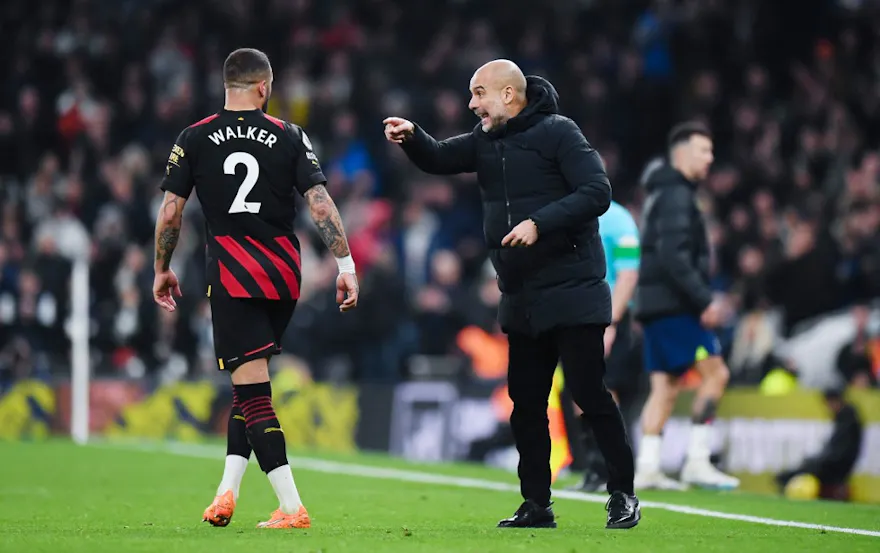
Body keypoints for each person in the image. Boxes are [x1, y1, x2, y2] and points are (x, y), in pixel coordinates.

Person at [384, 59, 639, 530]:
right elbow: (440, 157)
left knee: (588, 392)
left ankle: (622, 491)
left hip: (575, 290)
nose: (471, 104)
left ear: (508, 95)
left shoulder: (560, 133)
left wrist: (539, 223)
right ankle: (537, 504)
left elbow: (597, 191)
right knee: (526, 404)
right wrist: (412, 136)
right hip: (521, 295)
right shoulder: (485, 142)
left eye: (479, 93)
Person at [152, 48, 359, 529]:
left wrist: (161, 267)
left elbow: (171, 212)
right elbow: (321, 203)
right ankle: (226, 493)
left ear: (228, 85)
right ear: (265, 87)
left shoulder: (195, 137)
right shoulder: (290, 135)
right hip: (285, 276)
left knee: (254, 393)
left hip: (233, 277)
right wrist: (345, 263)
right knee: (249, 386)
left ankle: (292, 508)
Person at [633, 122, 739, 490]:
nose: (710, 158)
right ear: (681, 153)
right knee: (717, 374)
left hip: (655, 304)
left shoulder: (662, 193)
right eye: (703, 151)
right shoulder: (677, 194)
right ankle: (697, 461)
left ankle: (647, 467)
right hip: (675, 304)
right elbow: (673, 255)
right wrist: (704, 299)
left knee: (665, 387)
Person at [567, 199, 641, 492]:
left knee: (604, 389)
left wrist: (611, 323)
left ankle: (614, 470)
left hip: (607, 314)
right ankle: (595, 468)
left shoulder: (619, 220)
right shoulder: (569, 213)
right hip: (574, 314)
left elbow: (628, 274)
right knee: (577, 392)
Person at [775, 387, 863, 500]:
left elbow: (839, 452)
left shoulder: (847, 420)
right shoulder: (845, 418)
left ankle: (784, 482)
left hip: (835, 465)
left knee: (799, 470)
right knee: (807, 464)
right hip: (834, 462)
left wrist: (819, 460)